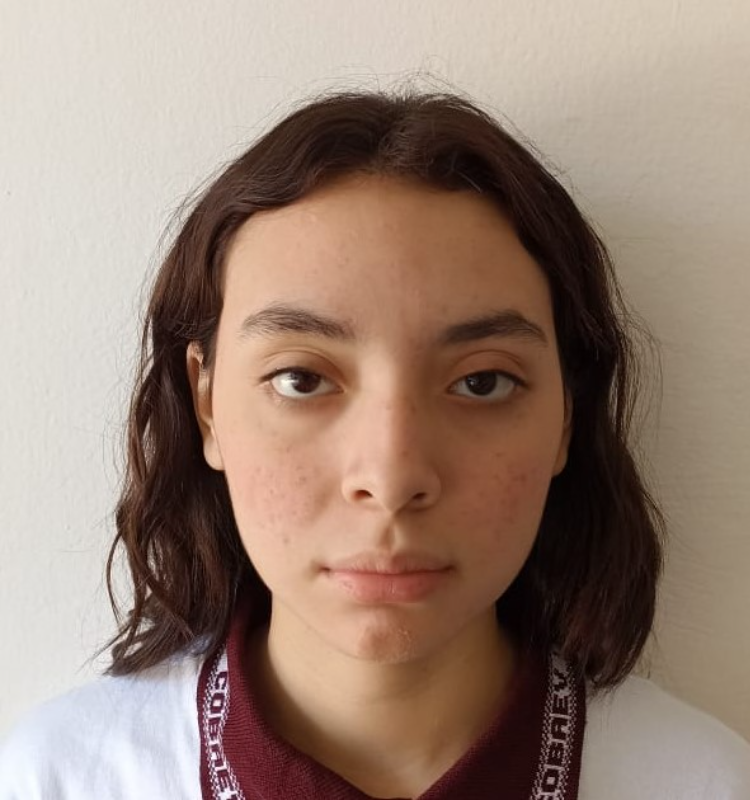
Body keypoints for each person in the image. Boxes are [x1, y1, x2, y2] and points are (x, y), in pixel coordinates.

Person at [1, 89, 748, 800]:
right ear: (207, 406)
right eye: (301, 379)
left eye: (482, 382)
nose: (391, 477)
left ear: (566, 417)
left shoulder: (704, 782)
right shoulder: (57, 779)